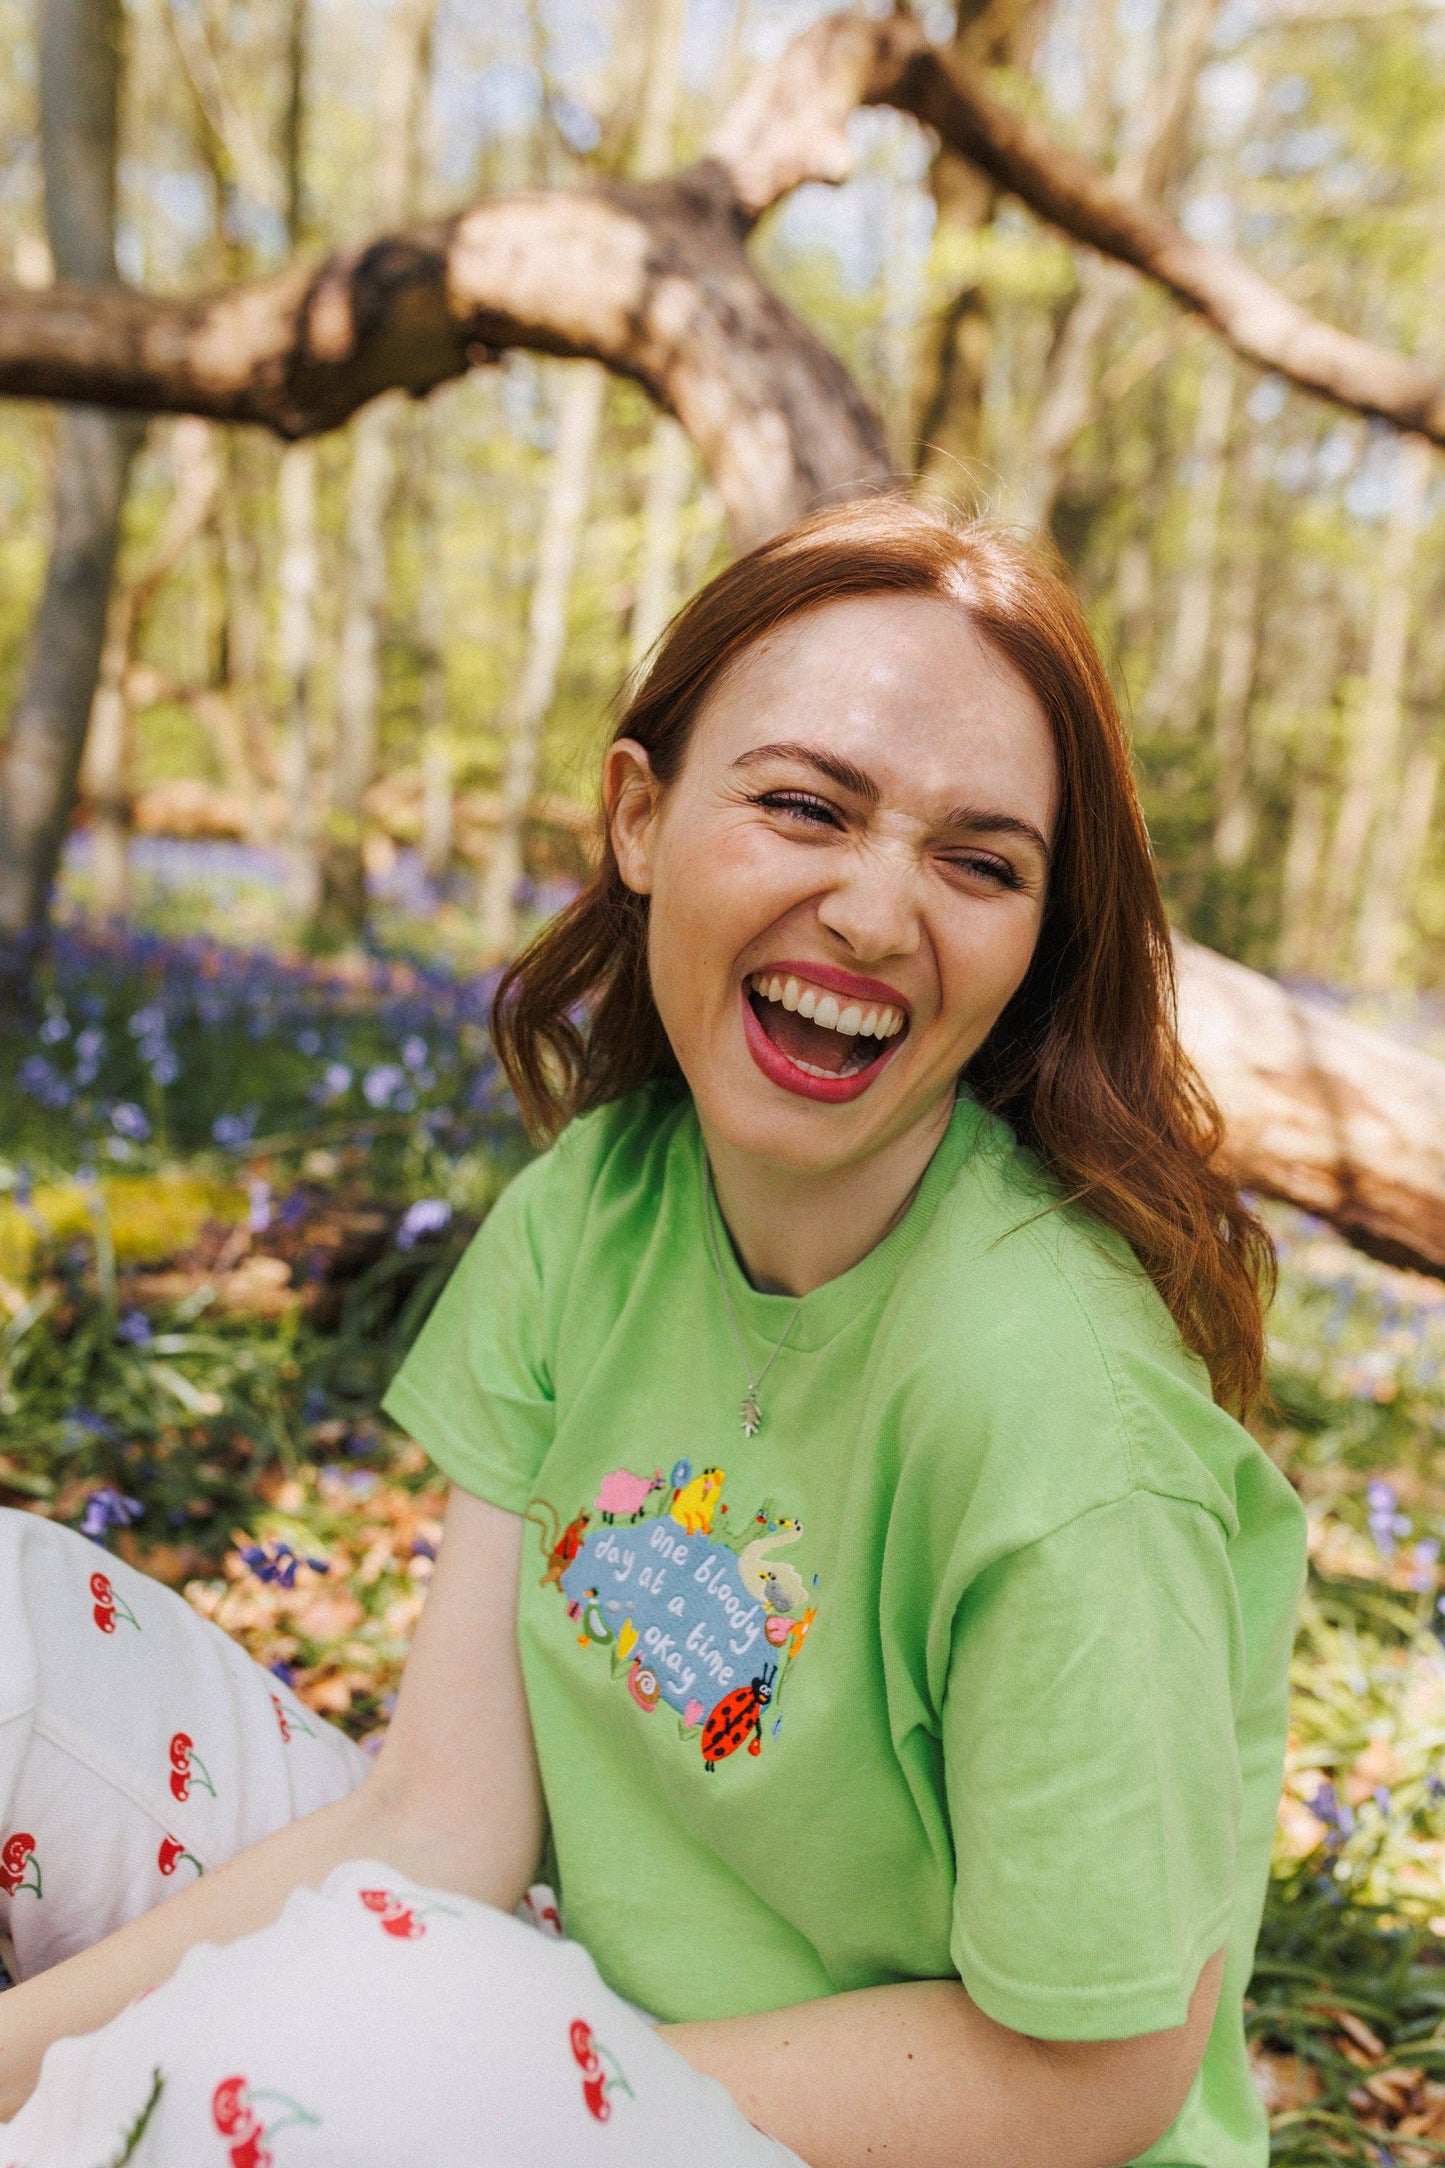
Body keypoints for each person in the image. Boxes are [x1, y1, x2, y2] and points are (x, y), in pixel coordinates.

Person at [0, 499, 1305, 2168]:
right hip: (565, 2017)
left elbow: (1095, 2075)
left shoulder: (1061, 1422)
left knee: (352, 2038)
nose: (876, 911)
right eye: (802, 806)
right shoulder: (595, 1212)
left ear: (1033, 940)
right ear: (639, 815)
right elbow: (440, 1821)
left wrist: (522, 2081)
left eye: (979, 862)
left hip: (862, 2134)